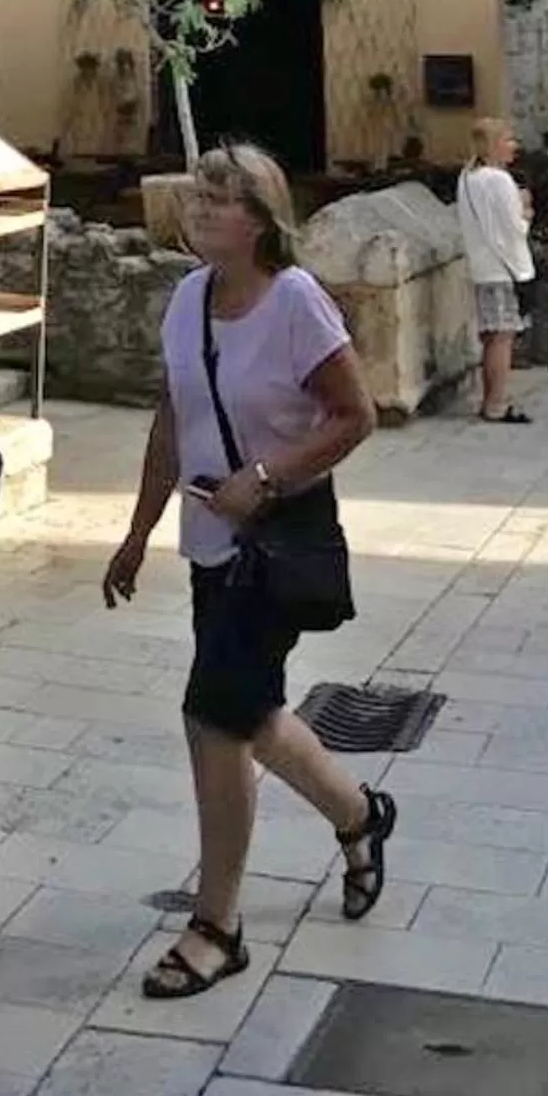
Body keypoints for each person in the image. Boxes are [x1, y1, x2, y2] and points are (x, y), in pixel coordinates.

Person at [103, 142, 391, 1000]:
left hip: (276, 543)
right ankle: (359, 816)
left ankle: (217, 926)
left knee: (213, 717)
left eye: (221, 198)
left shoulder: (296, 301)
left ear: (262, 221)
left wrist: (264, 477)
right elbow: (172, 420)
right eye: (198, 195)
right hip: (211, 546)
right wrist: (137, 531)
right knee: (253, 715)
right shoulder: (187, 300)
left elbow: (355, 415)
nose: (200, 208)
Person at [456, 117, 535, 424]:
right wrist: (525, 211)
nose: (514, 146)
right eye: (508, 140)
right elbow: (514, 228)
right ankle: (496, 403)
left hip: (481, 265)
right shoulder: (499, 180)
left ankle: (491, 399)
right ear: (494, 144)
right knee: (503, 336)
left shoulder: (467, 177)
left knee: (492, 335)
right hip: (502, 267)